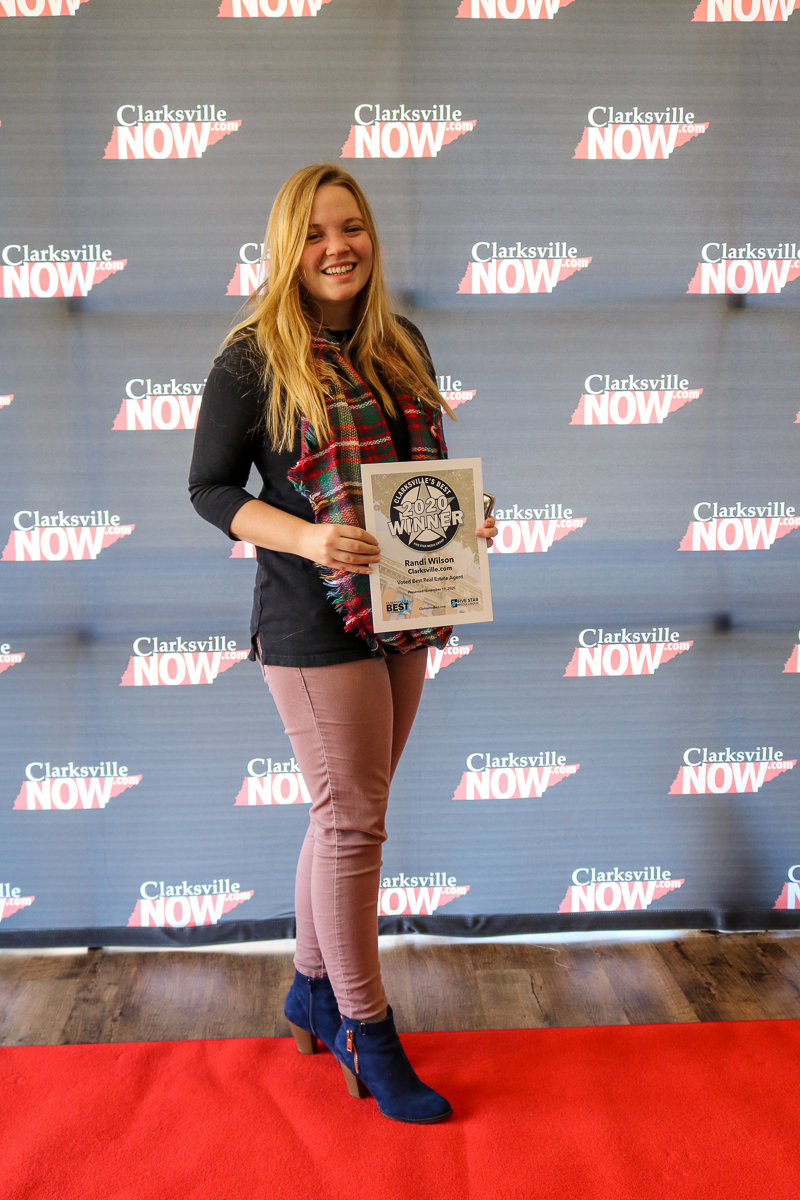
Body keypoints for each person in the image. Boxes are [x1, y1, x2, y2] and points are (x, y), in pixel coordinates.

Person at [189, 163, 495, 1124]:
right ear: (288, 247)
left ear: (372, 237)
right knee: (354, 822)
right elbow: (210, 490)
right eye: (317, 233)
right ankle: (366, 1025)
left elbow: (417, 476)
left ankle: (312, 992)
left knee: (341, 818)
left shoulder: (401, 343)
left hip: (406, 605)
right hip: (310, 616)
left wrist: (465, 518)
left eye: (351, 227)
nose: (338, 248)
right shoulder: (252, 357)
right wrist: (313, 538)